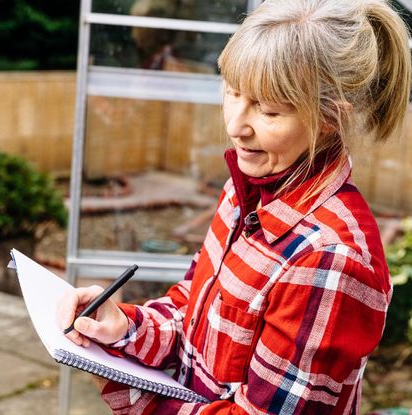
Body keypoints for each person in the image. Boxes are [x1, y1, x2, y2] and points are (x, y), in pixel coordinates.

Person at [58, 0, 412, 413]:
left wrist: (124, 389)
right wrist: (124, 328)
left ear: (329, 119)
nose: (235, 126)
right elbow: (193, 312)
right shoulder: (245, 189)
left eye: (268, 109)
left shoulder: (331, 259)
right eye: (232, 92)